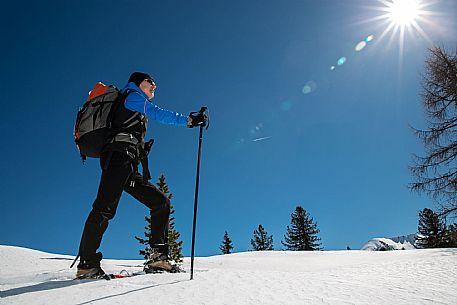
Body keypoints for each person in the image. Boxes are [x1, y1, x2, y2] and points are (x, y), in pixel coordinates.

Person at [75, 72, 200, 279]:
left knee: (161, 202)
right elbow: (157, 113)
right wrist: (188, 121)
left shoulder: (133, 102)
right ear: (138, 82)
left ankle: (158, 258)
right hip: (118, 158)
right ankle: (87, 264)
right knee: (104, 207)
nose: (154, 86)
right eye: (151, 82)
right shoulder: (131, 96)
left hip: (127, 163)